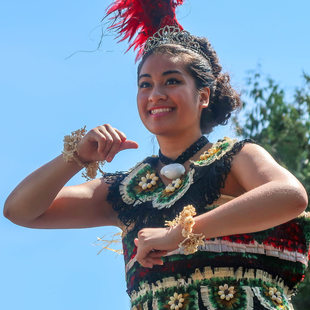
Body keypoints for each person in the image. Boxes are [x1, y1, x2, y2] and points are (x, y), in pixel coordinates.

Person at [3, 1, 309, 309]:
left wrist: (178, 233)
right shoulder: (126, 190)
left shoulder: (234, 157)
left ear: (203, 95)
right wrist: (77, 157)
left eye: (171, 81)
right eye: (144, 85)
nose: (155, 95)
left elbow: (290, 196)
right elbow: (20, 210)